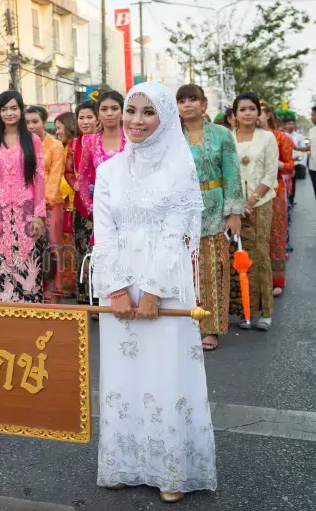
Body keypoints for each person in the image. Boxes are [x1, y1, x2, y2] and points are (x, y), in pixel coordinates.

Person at [90, 81, 215, 503]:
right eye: (131, 111)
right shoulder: (108, 171)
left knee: (166, 372)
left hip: (167, 282)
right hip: (122, 281)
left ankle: (170, 470)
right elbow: (103, 234)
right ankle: (124, 463)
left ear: (164, 118)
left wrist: (154, 293)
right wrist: (117, 290)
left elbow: (178, 232)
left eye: (148, 112)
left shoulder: (180, 167)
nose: (136, 121)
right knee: (124, 375)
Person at [177, 84, 243, 351]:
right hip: (180, 211)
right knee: (183, 271)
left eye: (193, 99)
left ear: (204, 104)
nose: (187, 105)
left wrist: (234, 213)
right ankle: (183, 325)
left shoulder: (222, 135)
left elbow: (232, 174)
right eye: (182, 100)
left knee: (213, 269)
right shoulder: (169, 138)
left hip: (214, 207)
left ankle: (210, 328)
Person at [0, 91, 46, 303]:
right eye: (4, 109)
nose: (9, 113)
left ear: (21, 109)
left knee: (29, 265)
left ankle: (32, 314)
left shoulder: (33, 140)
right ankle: (8, 318)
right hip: (0, 214)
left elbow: (39, 179)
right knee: (4, 265)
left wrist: (39, 215)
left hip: (27, 212)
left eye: (14, 108)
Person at [229, 92, 278, 330]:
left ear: (259, 113)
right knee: (238, 258)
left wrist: (252, 199)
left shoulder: (267, 138)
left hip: (261, 203)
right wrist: (236, 204)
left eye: (252, 108)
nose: (247, 113)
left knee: (260, 255)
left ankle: (266, 311)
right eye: (242, 109)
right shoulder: (227, 138)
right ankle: (245, 311)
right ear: (235, 114)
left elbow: (270, 174)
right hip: (233, 208)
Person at [25, 105, 65, 304]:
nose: (31, 126)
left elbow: (55, 175)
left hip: (51, 205)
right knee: (32, 249)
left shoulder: (55, 145)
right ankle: (35, 294)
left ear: (44, 122)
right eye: (27, 122)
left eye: (35, 121)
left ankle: (54, 299)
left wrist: (42, 204)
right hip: (27, 205)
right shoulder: (23, 146)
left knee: (53, 248)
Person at [64, 101, 98, 306]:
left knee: (100, 252)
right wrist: (76, 185)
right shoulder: (74, 144)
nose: (85, 121)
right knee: (82, 252)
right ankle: (85, 298)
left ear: (97, 118)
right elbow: (68, 171)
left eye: (89, 117)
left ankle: (100, 298)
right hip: (81, 206)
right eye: (81, 118)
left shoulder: (104, 141)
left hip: (103, 204)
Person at [259, 103, 294, 297]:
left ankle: (277, 280)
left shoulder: (282, 138)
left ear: (268, 115)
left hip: (275, 190)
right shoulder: (244, 138)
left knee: (276, 235)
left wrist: (276, 163)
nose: (253, 114)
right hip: (251, 192)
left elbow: (290, 167)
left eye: (258, 111)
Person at [77, 91, 126, 218]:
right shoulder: (91, 141)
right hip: (102, 209)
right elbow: (82, 177)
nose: (109, 113)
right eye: (104, 109)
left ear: (122, 112)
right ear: (98, 114)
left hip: (130, 208)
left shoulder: (132, 139)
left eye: (114, 108)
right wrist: (90, 207)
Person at [53, 111, 79, 298]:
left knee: (71, 245)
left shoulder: (75, 147)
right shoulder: (59, 148)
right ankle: (65, 284)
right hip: (60, 202)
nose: (57, 132)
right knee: (63, 245)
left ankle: (74, 285)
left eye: (59, 127)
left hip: (72, 202)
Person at [284, 118, 307, 205]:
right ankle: (285, 199)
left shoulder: (299, 136)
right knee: (285, 182)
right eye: (289, 123)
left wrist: (303, 163)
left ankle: (291, 200)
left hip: (295, 162)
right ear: (285, 125)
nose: (291, 125)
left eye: (292, 124)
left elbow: (303, 150)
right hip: (285, 162)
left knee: (293, 182)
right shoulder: (282, 135)